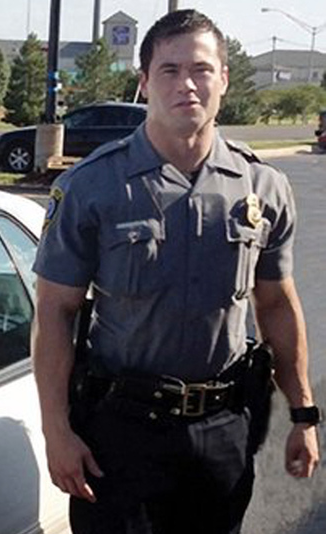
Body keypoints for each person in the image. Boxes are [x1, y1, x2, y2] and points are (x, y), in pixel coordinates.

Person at [31, 9, 320, 534]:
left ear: (224, 80)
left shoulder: (263, 187)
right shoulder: (91, 188)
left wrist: (303, 413)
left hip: (223, 429)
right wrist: (56, 430)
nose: (187, 83)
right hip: (121, 432)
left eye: (202, 69)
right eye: (169, 70)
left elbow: (276, 303)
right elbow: (55, 312)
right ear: (144, 82)